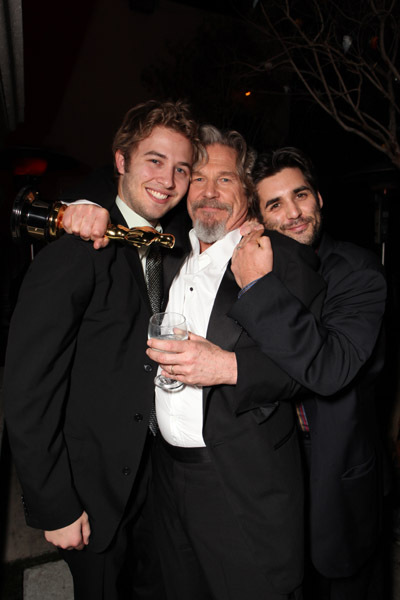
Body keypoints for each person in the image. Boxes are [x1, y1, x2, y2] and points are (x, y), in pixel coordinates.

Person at [4, 99, 201, 600]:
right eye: (154, 161)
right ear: (121, 161)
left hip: (156, 483)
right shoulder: (74, 245)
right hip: (91, 494)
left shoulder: (174, 239)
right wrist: (55, 504)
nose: (168, 179)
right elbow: (28, 388)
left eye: (181, 168)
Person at [144, 127, 327, 600]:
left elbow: (307, 366)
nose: (208, 192)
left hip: (241, 482)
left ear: (246, 191)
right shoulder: (164, 255)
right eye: (198, 177)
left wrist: (226, 366)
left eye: (224, 180)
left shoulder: (282, 257)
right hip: (166, 477)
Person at [229, 147, 387, 599]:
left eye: (300, 195)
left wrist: (257, 288)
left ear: (318, 197)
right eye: (275, 204)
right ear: (258, 217)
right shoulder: (254, 262)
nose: (294, 213)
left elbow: (330, 368)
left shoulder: (357, 270)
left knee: (347, 580)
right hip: (274, 465)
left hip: (337, 466)